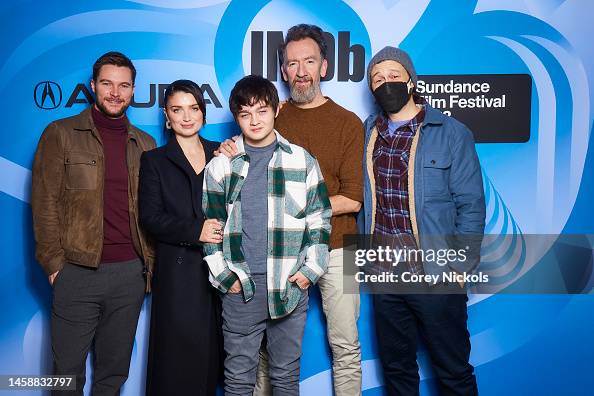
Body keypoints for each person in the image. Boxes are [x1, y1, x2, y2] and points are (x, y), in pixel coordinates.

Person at [218, 24, 364, 396]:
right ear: (283, 71)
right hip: (275, 252)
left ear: (325, 67)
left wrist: (291, 210)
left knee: (345, 344)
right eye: (292, 63)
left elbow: (353, 198)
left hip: (337, 249)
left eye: (309, 61)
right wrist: (226, 152)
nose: (301, 71)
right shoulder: (271, 115)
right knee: (268, 349)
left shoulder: (348, 122)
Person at [361, 46, 486, 396]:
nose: (386, 83)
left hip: (436, 274)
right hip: (385, 274)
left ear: (411, 81)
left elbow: (472, 204)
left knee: (453, 371)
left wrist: (460, 266)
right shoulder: (367, 132)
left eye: (394, 76)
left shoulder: (451, 132)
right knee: (397, 371)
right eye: (378, 79)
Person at [31, 51, 156, 395]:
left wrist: (148, 267)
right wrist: (56, 265)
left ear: (133, 91)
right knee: (66, 376)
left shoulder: (145, 144)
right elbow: (44, 203)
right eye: (107, 83)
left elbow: (152, 211)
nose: (115, 92)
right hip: (77, 272)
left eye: (123, 85)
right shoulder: (61, 134)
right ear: (93, 86)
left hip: (129, 275)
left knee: (112, 376)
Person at [203, 74, 332, 395]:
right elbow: (211, 226)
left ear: (275, 110)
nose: (254, 121)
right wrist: (224, 277)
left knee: (286, 377)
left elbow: (319, 219)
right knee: (238, 378)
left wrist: (310, 272)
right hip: (241, 287)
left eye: (261, 111)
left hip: (289, 284)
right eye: (245, 114)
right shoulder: (221, 166)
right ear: (236, 118)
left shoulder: (301, 160)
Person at [139, 80, 224, 395]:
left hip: (224, 274)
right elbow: (150, 217)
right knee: (176, 365)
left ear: (203, 113)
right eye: (177, 109)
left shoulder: (222, 152)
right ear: (167, 115)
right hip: (179, 274)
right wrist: (195, 231)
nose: (187, 117)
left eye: (193, 108)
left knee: (215, 363)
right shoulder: (155, 160)